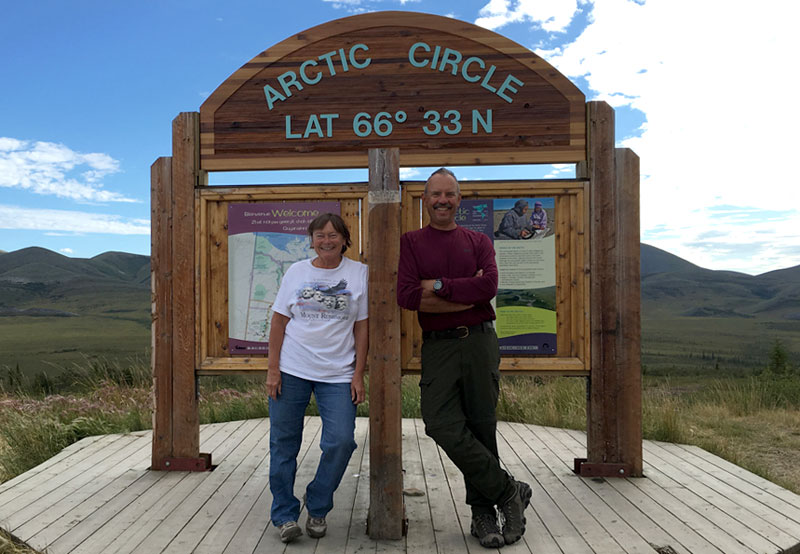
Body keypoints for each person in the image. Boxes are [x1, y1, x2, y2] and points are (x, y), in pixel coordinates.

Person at [396, 168, 532, 548]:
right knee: (439, 422)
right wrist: (464, 295)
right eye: (436, 194)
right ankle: (509, 490)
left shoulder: (478, 240)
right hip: (438, 345)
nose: (442, 200)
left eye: (449, 194)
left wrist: (438, 286)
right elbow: (407, 296)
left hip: (479, 343)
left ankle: (483, 515)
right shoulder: (411, 242)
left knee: (481, 426)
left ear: (460, 199)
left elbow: (487, 287)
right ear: (425, 199)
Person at [266, 213, 368, 544]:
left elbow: (362, 327)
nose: (327, 240)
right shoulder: (297, 271)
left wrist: (358, 373)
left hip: (338, 374)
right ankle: (284, 515)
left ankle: (318, 502)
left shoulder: (358, 273)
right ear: (311, 239)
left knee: (341, 441)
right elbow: (280, 322)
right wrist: (272, 370)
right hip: (292, 369)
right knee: (283, 445)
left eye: (333, 235)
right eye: (320, 235)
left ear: (344, 239)